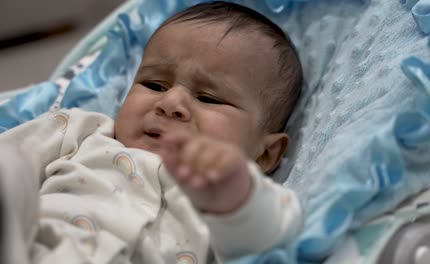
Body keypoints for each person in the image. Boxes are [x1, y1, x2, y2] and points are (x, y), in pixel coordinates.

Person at [0, 1, 303, 263]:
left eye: (209, 98)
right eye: (154, 85)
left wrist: (238, 195)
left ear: (266, 154)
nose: (170, 103)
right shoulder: (81, 130)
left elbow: (272, 240)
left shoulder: (228, 204)